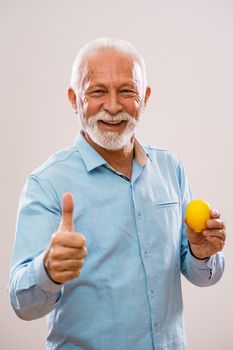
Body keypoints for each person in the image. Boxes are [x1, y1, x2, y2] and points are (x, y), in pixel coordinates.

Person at [8, 38, 226, 350]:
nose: (113, 106)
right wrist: (48, 270)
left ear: (145, 97)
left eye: (127, 91)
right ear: (74, 99)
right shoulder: (47, 183)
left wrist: (202, 253)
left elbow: (203, 276)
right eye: (97, 92)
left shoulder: (170, 167)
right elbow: (21, 304)